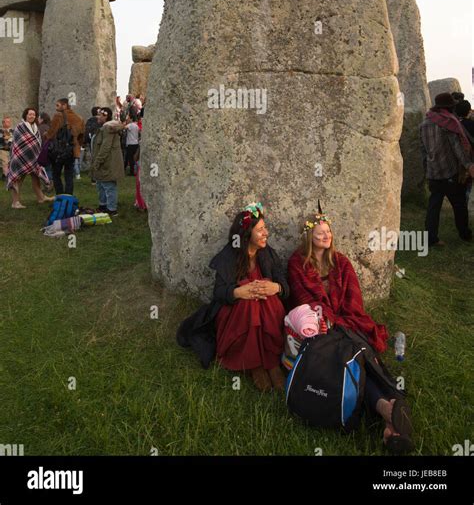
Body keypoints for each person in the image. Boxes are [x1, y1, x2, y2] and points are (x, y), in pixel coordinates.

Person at [287, 208, 413, 453]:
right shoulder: (297, 263)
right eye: (320, 233)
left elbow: (354, 300)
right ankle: (390, 409)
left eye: (328, 231)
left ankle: (391, 423)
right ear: (309, 237)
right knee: (354, 359)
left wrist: (342, 321)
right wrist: (328, 319)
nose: (326, 236)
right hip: (321, 326)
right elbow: (302, 299)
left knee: (357, 358)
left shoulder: (341, 261)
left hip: (347, 321)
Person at [177, 202, 289, 392]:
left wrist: (275, 287)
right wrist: (238, 292)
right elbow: (218, 293)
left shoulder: (268, 253)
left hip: (264, 310)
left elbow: (285, 285)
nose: (266, 233)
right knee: (249, 301)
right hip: (236, 312)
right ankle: (254, 365)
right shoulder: (230, 255)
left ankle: (271, 363)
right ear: (247, 234)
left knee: (268, 299)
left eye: (265, 228)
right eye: (261, 230)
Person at [420, 92, 474, 247]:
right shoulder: (448, 123)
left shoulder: (424, 123)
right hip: (450, 171)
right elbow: (457, 148)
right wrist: (469, 165)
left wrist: (427, 169)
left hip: (433, 172)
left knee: (434, 206)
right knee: (459, 205)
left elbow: (423, 150)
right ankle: (465, 234)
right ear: (449, 108)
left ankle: (431, 238)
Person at [6, 108, 54, 208]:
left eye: (33, 115)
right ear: (25, 115)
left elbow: (36, 141)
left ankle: (41, 197)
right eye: (29, 114)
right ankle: (15, 202)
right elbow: (18, 142)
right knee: (18, 179)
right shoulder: (20, 126)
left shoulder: (35, 126)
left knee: (36, 177)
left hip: (34, 158)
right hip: (21, 157)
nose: (32, 116)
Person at [45, 98, 85, 196]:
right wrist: (76, 145)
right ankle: (68, 196)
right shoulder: (79, 117)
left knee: (56, 174)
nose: (56, 108)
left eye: (58, 105)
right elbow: (82, 135)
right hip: (72, 150)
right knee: (69, 175)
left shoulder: (58, 116)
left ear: (65, 105)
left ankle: (59, 195)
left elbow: (51, 133)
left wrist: (45, 135)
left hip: (59, 149)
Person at [90, 107, 125, 216]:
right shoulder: (104, 128)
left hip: (108, 162)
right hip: (103, 162)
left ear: (106, 116)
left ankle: (111, 209)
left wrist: (97, 161)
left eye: (100, 115)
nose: (97, 117)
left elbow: (105, 147)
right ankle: (103, 205)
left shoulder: (108, 128)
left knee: (109, 186)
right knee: (100, 184)